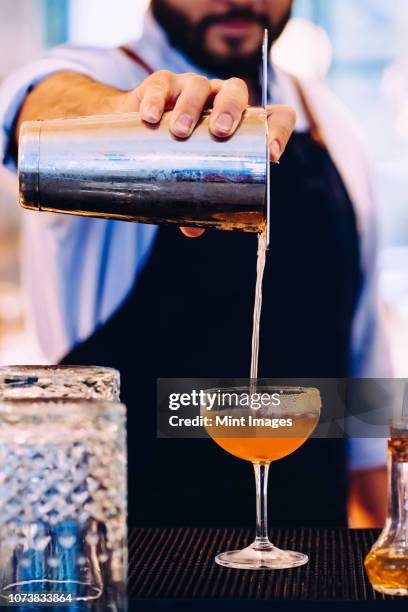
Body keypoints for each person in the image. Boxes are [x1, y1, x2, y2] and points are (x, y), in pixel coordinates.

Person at [0, 0, 390, 527]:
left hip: (306, 549)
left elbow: (362, 360)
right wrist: (134, 120)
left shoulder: (329, 120)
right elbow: (40, 109)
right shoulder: (103, 76)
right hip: (133, 549)